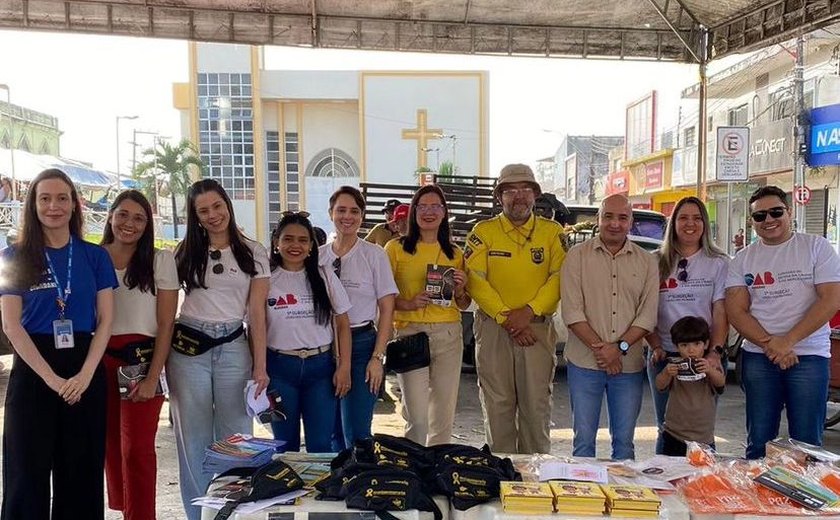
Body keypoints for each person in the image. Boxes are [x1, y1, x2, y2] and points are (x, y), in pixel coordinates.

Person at [0, 168, 118, 520]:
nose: (54, 206)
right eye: (45, 198)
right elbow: (11, 325)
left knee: (81, 475)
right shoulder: (13, 257)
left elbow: (106, 321)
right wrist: (51, 379)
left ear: (74, 204)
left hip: (84, 367)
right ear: (33, 205)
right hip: (34, 369)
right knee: (26, 475)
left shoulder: (95, 256)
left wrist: (84, 375)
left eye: (62, 198)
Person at [169, 178, 270, 520]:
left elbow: (256, 313)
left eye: (217, 206)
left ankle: (233, 514)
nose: (213, 215)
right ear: (195, 216)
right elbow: (166, 307)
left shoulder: (254, 251)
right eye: (203, 211)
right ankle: (198, 515)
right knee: (193, 440)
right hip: (188, 349)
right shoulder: (183, 253)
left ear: (227, 205)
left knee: (237, 439)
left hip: (233, 347)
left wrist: (260, 365)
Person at [725, 185, 840, 459]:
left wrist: (787, 342)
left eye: (776, 212)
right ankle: (758, 501)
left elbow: (830, 300)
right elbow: (737, 311)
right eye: (760, 216)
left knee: (807, 445)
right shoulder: (742, 259)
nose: (768, 220)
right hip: (759, 357)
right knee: (759, 442)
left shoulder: (816, 247)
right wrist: (771, 345)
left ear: (789, 212)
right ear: (752, 222)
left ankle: (804, 501)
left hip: (809, 356)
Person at [465, 164, 565, 454]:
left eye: (525, 189)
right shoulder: (483, 232)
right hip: (495, 328)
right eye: (510, 190)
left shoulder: (552, 232)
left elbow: (559, 278)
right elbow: (475, 279)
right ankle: (502, 478)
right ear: (499, 197)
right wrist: (507, 319)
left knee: (536, 406)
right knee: (498, 407)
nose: (518, 196)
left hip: (536, 330)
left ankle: (535, 483)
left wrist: (529, 312)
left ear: (535, 194)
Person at [561, 194, 658, 460]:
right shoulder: (576, 257)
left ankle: (622, 499)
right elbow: (572, 312)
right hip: (584, 365)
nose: (615, 224)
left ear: (631, 222)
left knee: (625, 446)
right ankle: (583, 499)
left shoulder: (647, 262)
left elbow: (647, 316)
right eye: (609, 217)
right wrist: (604, 351)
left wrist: (620, 348)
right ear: (598, 219)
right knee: (583, 444)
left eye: (622, 218)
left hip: (628, 368)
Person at [100, 190, 178, 520]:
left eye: (139, 218)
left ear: (147, 225)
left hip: (141, 362)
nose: (129, 223)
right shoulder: (94, 256)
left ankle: (141, 515)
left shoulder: (160, 260)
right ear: (110, 216)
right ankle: (124, 509)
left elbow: (165, 323)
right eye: (123, 214)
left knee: (137, 450)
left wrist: (152, 376)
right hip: (99, 361)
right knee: (111, 448)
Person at [385, 184, 471, 446]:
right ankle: (415, 469)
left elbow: (464, 303)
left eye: (435, 206)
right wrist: (408, 303)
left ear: (444, 212)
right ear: (413, 212)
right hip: (411, 334)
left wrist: (461, 287)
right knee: (417, 416)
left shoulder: (455, 253)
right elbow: (383, 298)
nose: (429, 212)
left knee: (443, 414)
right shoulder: (395, 248)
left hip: (448, 334)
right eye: (422, 207)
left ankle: (438, 470)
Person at [646, 196, 729, 454]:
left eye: (697, 218)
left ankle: (703, 484)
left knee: (700, 427)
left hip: (705, 355)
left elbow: (720, 310)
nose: (690, 224)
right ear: (674, 224)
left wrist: (714, 351)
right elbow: (645, 309)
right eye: (683, 218)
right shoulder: (654, 262)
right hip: (666, 354)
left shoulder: (719, 262)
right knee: (667, 426)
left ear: (705, 223)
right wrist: (656, 345)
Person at [265, 211, 352, 452]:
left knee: (321, 446)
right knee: (284, 446)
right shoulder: (265, 278)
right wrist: (259, 370)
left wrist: (344, 367)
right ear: (276, 243)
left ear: (312, 245)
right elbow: (255, 328)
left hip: (321, 371)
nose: (295, 245)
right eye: (288, 239)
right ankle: (287, 491)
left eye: (303, 240)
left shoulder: (324, 275)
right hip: (279, 371)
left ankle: (321, 491)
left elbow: (343, 324)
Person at [321, 186, 397, 448]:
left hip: (362, 344)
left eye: (354, 211)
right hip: (324, 346)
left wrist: (377, 358)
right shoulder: (318, 256)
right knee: (328, 430)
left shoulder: (374, 255)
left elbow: (387, 309)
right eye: (341, 210)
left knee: (357, 431)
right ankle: (332, 485)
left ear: (362, 216)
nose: (347, 216)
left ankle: (358, 483)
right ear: (331, 213)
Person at [655, 316, 725, 456]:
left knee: (702, 475)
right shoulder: (674, 364)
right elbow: (659, 385)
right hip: (674, 434)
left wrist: (710, 370)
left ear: (705, 344)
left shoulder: (710, 365)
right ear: (676, 347)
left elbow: (720, 384)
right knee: (672, 474)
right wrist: (667, 373)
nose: (691, 350)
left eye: (696, 344)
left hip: (703, 437)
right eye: (684, 345)